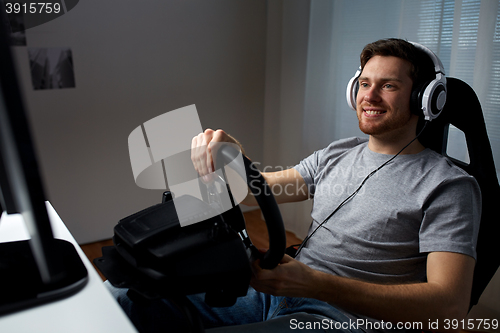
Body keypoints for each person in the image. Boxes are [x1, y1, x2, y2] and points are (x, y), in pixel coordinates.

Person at [106, 39, 481, 332]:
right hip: (277, 291)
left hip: (344, 318)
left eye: (389, 86)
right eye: (365, 83)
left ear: (424, 99)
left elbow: (448, 307)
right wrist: (235, 157)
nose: (370, 96)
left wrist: (316, 284)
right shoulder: (338, 153)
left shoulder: (449, 187)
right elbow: (266, 190)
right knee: (126, 297)